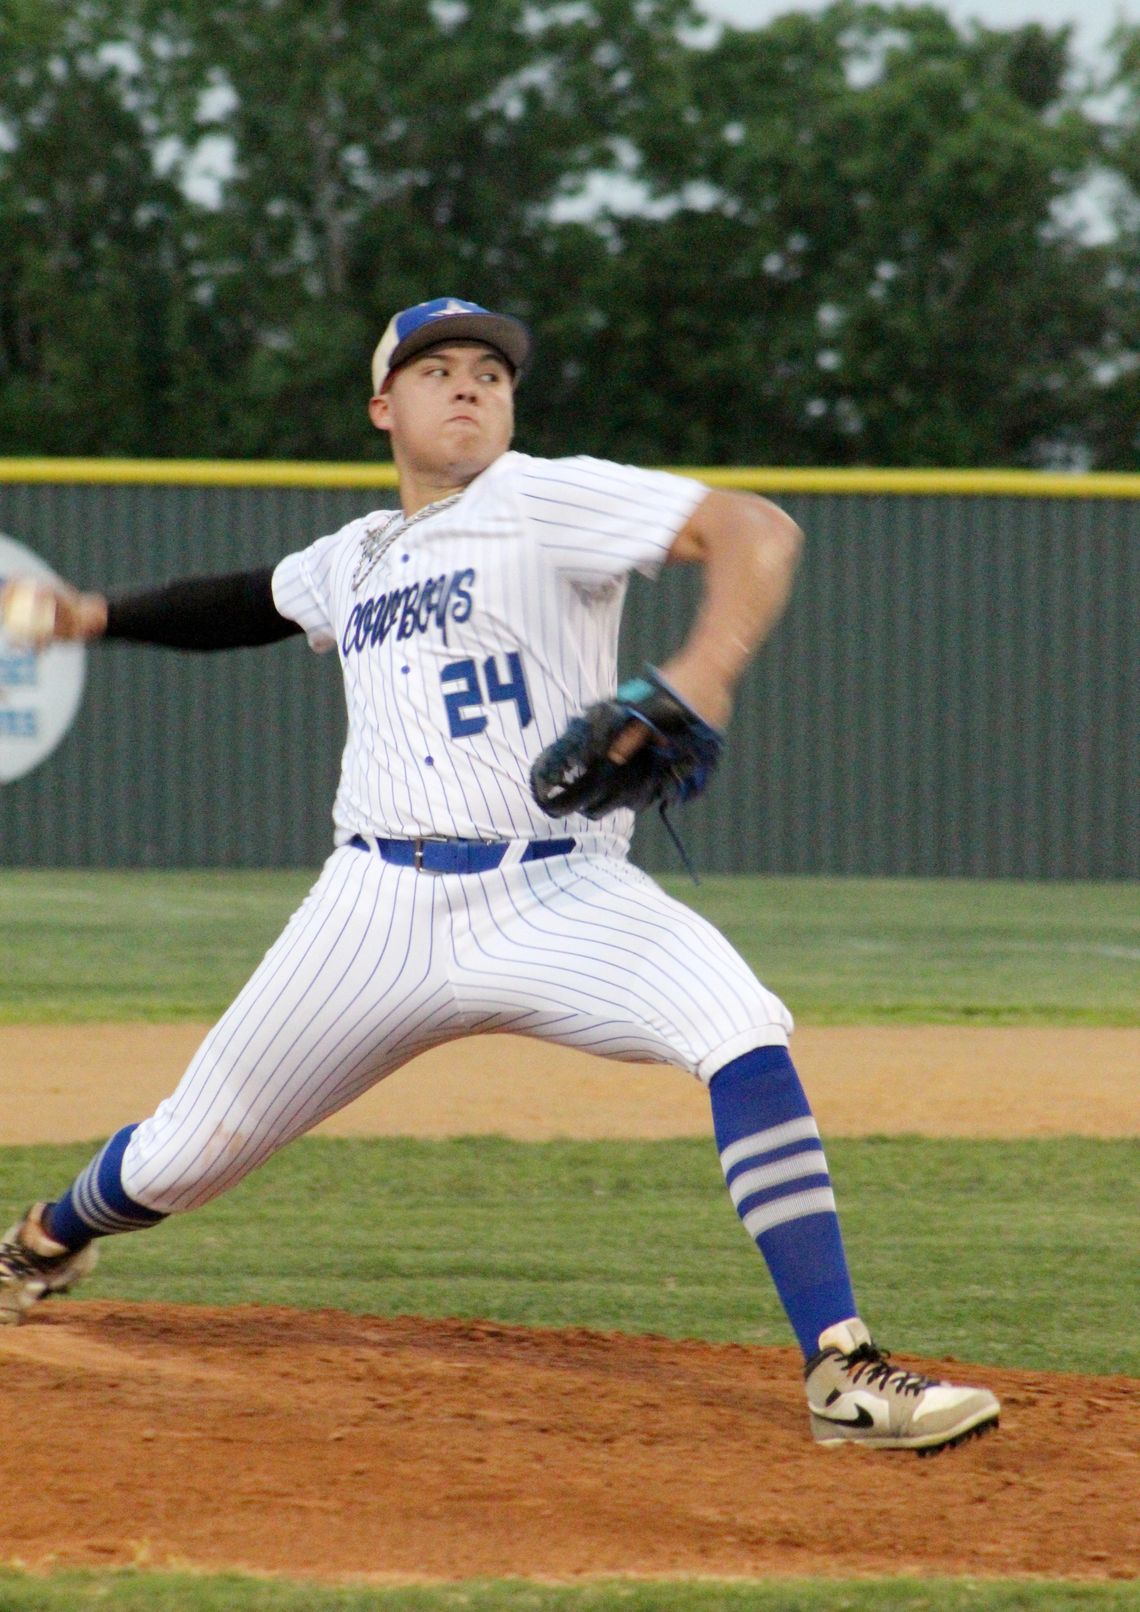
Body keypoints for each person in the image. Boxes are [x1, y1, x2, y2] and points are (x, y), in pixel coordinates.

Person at [0, 296, 999, 1453]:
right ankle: (41, 1239)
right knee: (187, 1151)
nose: (469, 384)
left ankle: (843, 1366)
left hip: (561, 890)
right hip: (375, 907)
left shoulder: (542, 496)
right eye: (435, 369)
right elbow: (245, 602)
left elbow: (755, 529)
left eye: (491, 370)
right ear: (385, 407)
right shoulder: (356, 556)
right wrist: (87, 615)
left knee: (740, 1021)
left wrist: (705, 669)